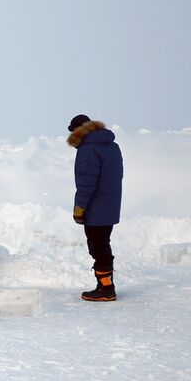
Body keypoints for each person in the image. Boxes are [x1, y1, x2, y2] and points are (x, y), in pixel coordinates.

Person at [67, 114, 124, 302]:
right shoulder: (112, 146)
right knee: (102, 245)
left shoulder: (87, 149)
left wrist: (79, 208)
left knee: (98, 247)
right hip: (110, 204)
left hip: (95, 207)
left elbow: (86, 183)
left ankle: (106, 289)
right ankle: (105, 286)